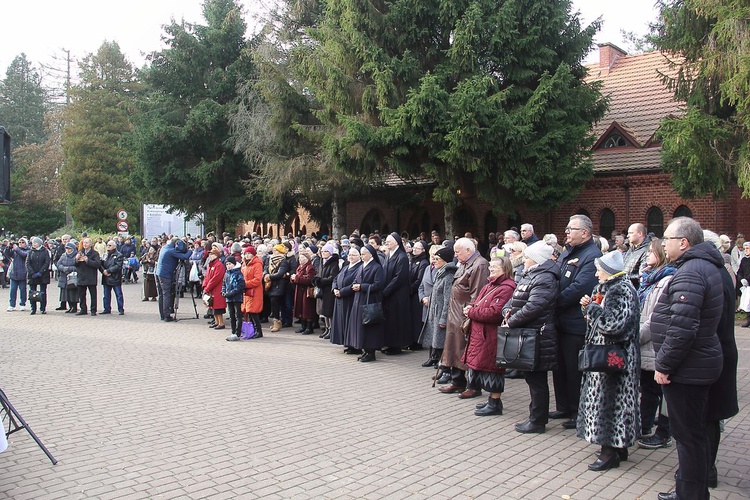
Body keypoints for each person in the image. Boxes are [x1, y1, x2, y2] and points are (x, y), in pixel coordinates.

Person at [650, 217, 724, 500]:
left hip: (688, 368)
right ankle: (691, 490)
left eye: (667, 238)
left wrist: (664, 365)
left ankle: (690, 494)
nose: (663, 243)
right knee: (694, 434)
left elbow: (683, 328)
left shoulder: (691, 272)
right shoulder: (702, 266)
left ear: (683, 242)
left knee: (688, 438)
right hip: (697, 363)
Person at [577, 250, 640, 472]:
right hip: (604, 356)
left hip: (615, 358)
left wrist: (593, 309)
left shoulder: (621, 290)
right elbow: (596, 321)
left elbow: (614, 326)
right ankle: (617, 447)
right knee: (608, 401)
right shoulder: (605, 288)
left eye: (599, 270)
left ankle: (609, 451)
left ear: (610, 271)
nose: (596, 275)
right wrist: (589, 307)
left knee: (610, 403)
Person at [503, 241, 560, 433]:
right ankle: (535, 417)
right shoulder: (531, 275)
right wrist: (506, 311)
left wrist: (512, 321)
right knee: (532, 379)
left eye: (527, 257)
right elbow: (515, 299)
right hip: (529, 332)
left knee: (537, 381)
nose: (524, 260)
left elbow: (534, 306)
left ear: (536, 260)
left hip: (538, 335)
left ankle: (537, 421)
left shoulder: (544, 278)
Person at [552, 215, 602, 429]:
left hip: (575, 323)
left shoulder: (592, 256)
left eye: (571, 229)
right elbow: (556, 277)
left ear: (585, 232)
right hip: (560, 321)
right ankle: (563, 405)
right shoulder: (567, 252)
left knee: (574, 369)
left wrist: (553, 301)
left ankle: (576, 410)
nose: (567, 232)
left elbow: (581, 288)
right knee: (559, 367)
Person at [462, 257, 516, 416]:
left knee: (493, 369)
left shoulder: (506, 288)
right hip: (481, 334)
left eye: (495, 267)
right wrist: (471, 308)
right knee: (485, 367)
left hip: (491, 335)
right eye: (490, 266)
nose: (491, 269)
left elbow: (495, 313)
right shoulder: (490, 285)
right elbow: (478, 303)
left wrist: (471, 312)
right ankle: (491, 401)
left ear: (505, 269)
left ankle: (495, 402)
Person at [636, 238, 675, 448]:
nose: (647, 255)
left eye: (651, 251)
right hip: (646, 344)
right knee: (648, 389)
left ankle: (663, 432)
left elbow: (656, 317)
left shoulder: (666, 280)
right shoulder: (648, 279)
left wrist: (638, 336)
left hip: (654, 343)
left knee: (658, 391)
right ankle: (644, 426)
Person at [440, 237, 490, 397]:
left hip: (465, 314)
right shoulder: (464, 264)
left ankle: (473, 385)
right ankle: (457, 381)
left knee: (468, 350)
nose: (455, 255)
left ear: (468, 250)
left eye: (457, 252)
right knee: (454, 348)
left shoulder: (480, 264)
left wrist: (470, 314)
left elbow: (478, 292)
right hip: (455, 314)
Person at [420, 246, 457, 373]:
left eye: (437, 259)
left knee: (442, 343)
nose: (434, 261)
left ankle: (445, 370)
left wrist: (443, 318)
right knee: (437, 342)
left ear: (445, 260)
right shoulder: (441, 272)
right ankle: (441, 368)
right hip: (435, 312)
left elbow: (447, 300)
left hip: (441, 314)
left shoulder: (448, 276)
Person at [347, 244, 385, 362]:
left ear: (370, 254)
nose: (362, 256)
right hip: (359, 299)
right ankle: (365, 350)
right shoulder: (362, 266)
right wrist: (354, 285)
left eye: (363, 254)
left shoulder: (377, 267)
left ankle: (371, 352)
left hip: (370, 300)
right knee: (361, 327)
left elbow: (378, 284)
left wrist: (362, 287)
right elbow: (356, 279)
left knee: (369, 328)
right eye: (361, 254)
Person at [380, 233, 412, 354]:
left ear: (396, 243)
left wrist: (386, 290)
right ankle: (389, 344)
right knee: (389, 320)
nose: (387, 243)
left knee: (397, 320)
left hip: (397, 294)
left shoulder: (402, 257)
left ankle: (396, 346)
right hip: (389, 293)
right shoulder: (388, 255)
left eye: (389, 241)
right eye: (386, 241)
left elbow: (399, 278)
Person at [331, 246, 362, 351]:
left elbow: (355, 283)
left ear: (359, 257)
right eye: (349, 255)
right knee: (341, 322)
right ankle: (346, 343)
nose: (351, 257)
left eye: (354, 255)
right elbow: (336, 278)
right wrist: (335, 288)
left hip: (349, 299)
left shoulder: (359, 267)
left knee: (349, 322)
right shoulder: (345, 267)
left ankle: (353, 345)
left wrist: (342, 292)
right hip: (339, 298)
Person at [155, 237, 192, 322]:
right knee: (166, 294)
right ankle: (167, 315)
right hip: (166, 275)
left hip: (158, 273)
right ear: (176, 243)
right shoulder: (172, 251)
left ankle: (162, 315)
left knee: (161, 294)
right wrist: (190, 250)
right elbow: (185, 256)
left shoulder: (165, 248)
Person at [313, 243, 340, 339]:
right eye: (323, 251)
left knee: (329, 311)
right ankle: (327, 328)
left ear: (331, 252)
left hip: (329, 290)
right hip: (322, 290)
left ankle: (332, 329)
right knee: (324, 311)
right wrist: (316, 279)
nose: (324, 253)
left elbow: (333, 277)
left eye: (326, 251)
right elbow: (319, 273)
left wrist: (321, 281)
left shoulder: (333, 263)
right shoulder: (322, 261)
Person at [239, 245, 264, 339]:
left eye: (249, 253)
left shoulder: (257, 264)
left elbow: (257, 279)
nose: (247, 255)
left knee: (253, 311)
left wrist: (245, 284)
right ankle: (253, 330)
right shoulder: (245, 264)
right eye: (246, 253)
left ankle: (259, 331)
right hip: (247, 290)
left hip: (254, 290)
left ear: (253, 254)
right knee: (248, 311)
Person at [408, 240, 430, 348]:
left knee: (417, 318)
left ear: (423, 250)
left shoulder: (424, 262)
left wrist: (410, 289)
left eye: (417, 248)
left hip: (417, 294)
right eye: (414, 247)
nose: (414, 250)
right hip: (411, 293)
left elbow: (419, 280)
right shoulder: (413, 260)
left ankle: (417, 342)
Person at [290, 252, 316, 335]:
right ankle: (303, 326)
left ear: (307, 259)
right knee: (301, 308)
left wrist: (296, 278)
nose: (300, 260)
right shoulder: (299, 267)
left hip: (306, 291)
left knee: (307, 309)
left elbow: (309, 280)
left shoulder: (310, 267)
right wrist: (293, 278)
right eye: (300, 258)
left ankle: (309, 327)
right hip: (299, 290)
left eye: (302, 258)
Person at [75, 237, 101, 316]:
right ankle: (83, 309)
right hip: (81, 276)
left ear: (91, 244)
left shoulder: (95, 253)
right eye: (84, 243)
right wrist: (76, 259)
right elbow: (76, 265)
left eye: (86, 243)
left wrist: (87, 261)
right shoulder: (80, 252)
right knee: (81, 295)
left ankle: (93, 310)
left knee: (93, 295)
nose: (85, 244)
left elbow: (97, 264)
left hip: (90, 277)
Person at [26, 237, 51, 315]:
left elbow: (47, 262)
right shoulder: (30, 251)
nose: (34, 244)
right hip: (32, 275)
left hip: (43, 275)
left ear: (39, 243)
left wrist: (41, 272)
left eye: (35, 243)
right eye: (33, 243)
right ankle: (33, 308)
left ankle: (43, 308)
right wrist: (32, 272)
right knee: (32, 292)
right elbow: (27, 263)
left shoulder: (45, 251)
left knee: (42, 292)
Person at [203, 247, 227, 330]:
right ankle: (217, 322)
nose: (210, 256)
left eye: (212, 254)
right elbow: (207, 276)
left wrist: (207, 287)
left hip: (217, 289)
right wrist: (205, 285)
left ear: (217, 255)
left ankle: (221, 323)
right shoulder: (210, 264)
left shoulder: (219, 265)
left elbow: (216, 278)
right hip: (211, 289)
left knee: (218, 307)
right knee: (212, 306)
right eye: (209, 254)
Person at [223, 256, 246, 341]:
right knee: (231, 315)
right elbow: (224, 284)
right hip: (229, 298)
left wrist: (231, 293)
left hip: (237, 297)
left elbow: (241, 286)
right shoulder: (226, 274)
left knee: (238, 315)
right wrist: (224, 292)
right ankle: (233, 332)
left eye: (230, 264)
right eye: (227, 264)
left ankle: (238, 333)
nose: (228, 266)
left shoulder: (238, 273)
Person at [100, 240, 125, 315]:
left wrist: (109, 271)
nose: (108, 246)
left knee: (118, 295)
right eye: (107, 245)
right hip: (106, 278)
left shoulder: (119, 255)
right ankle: (106, 309)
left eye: (110, 245)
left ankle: (121, 309)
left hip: (115, 277)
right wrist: (103, 271)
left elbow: (118, 266)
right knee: (106, 295)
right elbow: (100, 264)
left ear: (114, 246)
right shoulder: (105, 255)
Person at [623, 223, 651, 288]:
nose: (627, 236)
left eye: (631, 233)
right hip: (627, 287)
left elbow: (643, 274)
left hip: (636, 289)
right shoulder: (631, 249)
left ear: (640, 234)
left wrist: (623, 278)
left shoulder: (648, 250)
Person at [5, 238, 29, 311]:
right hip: (14, 273)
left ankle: (22, 304)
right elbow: (7, 254)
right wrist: (8, 247)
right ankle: (12, 305)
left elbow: (24, 255)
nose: (21, 243)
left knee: (22, 290)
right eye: (20, 242)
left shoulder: (28, 250)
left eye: (23, 242)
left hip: (23, 273)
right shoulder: (15, 251)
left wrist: (17, 249)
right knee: (12, 290)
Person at [57, 242, 79, 314]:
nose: (68, 250)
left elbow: (78, 267)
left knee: (73, 292)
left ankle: (74, 307)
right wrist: (63, 268)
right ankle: (70, 307)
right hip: (64, 276)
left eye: (69, 248)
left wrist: (69, 268)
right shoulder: (63, 255)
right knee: (66, 293)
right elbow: (58, 264)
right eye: (66, 248)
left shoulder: (76, 256)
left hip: (72, 277)